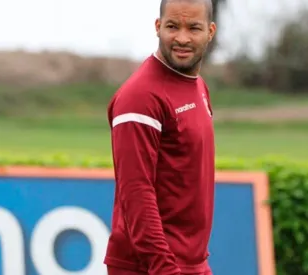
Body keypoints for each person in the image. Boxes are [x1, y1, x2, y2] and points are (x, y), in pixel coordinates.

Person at [104, 0, 217, 274]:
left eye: (193, 28)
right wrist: (164, 268)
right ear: (157, 27)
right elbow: (136, 192)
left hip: (192, 263)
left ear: (210, 32)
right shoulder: (140, 97)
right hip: (149, 267)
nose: (182, 38)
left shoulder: (198, 86)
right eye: (172, 26)